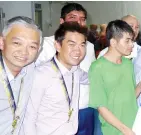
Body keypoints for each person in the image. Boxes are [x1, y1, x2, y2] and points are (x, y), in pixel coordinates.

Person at [34, 3, 97, 135]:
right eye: (73, 17)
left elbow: (88, 76)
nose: (78, 22)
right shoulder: (45, 45)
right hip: (54, 114)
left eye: (82, 19)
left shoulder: (89, 47)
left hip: (85, 109)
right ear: (62, 21)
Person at [24, 22, 88, 135]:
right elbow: (28, 117)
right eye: (72, 44)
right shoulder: (41, 74)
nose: (78, 51)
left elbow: (92, 78)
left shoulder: (76, 71)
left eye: (82, 45)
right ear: (58, 45)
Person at [88, 20, 141, 135]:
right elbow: (101, 107)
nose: (131, 44)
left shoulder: (127, 64)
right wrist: (124, 129)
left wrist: (140, 86)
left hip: (133, 125)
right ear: (113, 42)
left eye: (132, 40)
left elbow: (130, 97)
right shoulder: (97, 67)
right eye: (127, 41)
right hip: (113, 129)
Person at [0, 16, 42, 135]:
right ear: (2, 43)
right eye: (17, 43)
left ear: (39, 50)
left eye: (32, 46)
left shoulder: (30, 69)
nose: (24, 52)